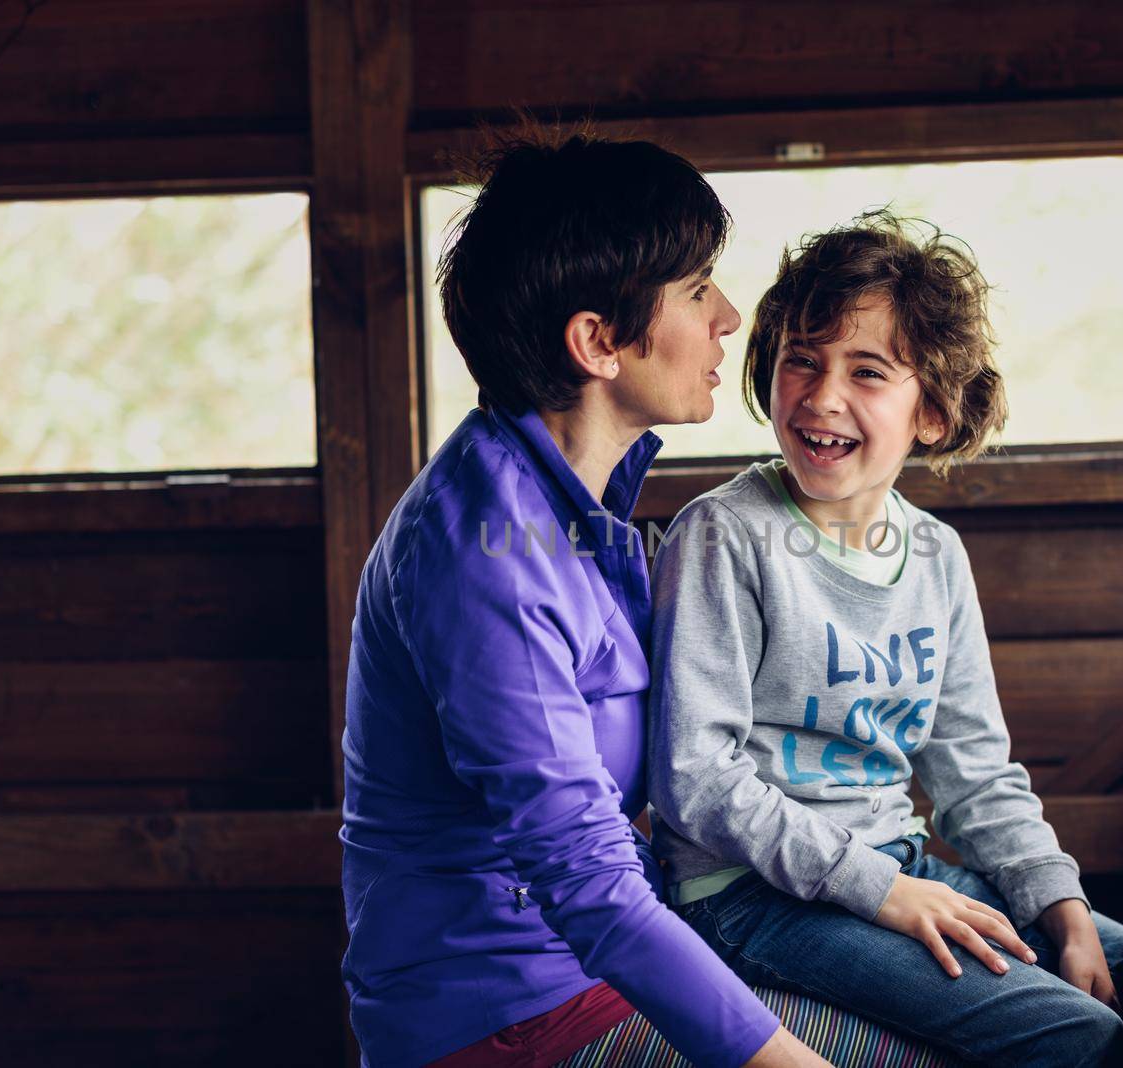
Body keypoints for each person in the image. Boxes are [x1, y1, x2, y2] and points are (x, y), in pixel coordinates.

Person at [338, 133, 934, 1068]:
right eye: (697, 291)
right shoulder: (485, 554)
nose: (731, 317)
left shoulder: (570, 502)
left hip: (606, 963)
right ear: (597, 342)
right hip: (512, 1015)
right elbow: (583, 877)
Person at [647, 212, 1123, 1067]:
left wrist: (1061, 908)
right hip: (748, 894)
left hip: (896, 862)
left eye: (868, 371)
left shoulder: (933, 555)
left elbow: (975, 770)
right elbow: (696, 779)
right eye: (801, 359)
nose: (820, 395)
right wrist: (883, 891)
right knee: (1079, 1035)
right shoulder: (725, 537)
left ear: (931, 411)